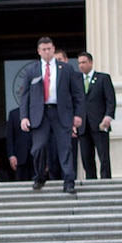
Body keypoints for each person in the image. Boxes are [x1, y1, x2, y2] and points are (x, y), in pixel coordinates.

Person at [17, 36, 80, 195]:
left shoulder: (66, 69)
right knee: (38, 148)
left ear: (53, 49)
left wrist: (78, 115)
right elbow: (25, 96)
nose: (47, 52)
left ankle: (69, 182)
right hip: (40, 114)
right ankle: (39, 176)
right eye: (43, 49)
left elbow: (77, 94)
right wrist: (24, 117)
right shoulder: (32, 70)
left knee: (65, 148)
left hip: (61, 113)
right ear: (39, 51)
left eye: (49, 49)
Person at [75, 53, 116, 181]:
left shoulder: (103, 78)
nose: (81, 65)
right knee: (86, 157)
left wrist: (108, 116)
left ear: (91, 63)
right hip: (83, 125)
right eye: (79, 63)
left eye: (84, 62)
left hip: (100, 123)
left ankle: (105, 181)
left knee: (103, 156)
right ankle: (91, 181)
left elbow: (110, 100)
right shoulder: (76, 80)